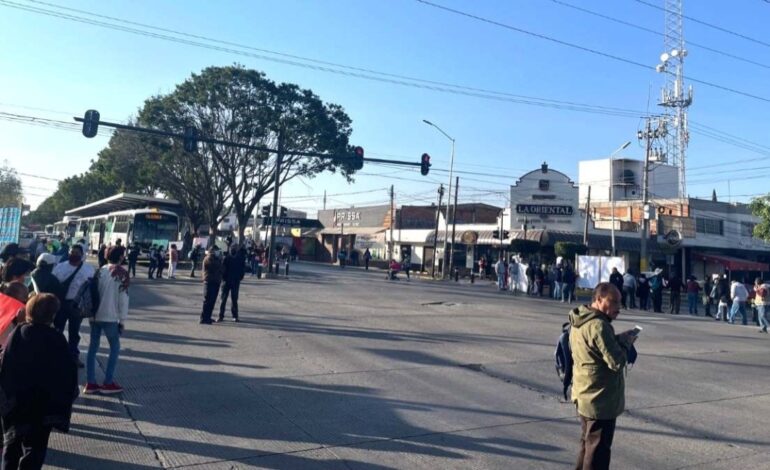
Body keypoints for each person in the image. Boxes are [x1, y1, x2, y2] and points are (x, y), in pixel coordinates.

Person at [0, 294, 78, 470]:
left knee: (11, 446)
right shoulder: (56, 339)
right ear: (52, 315)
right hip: (43, 407)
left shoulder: (17, 334)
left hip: (16, 403)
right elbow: (67, 373)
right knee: (35, 448)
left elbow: (5, 366)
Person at [569, 282, 637, 470]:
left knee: (587, 445)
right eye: (613, 302)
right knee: (598, 451)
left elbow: (593, 350)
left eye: (619, 303)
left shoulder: (580, 319)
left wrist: (615, 340)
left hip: (584, 394)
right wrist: (626, 344)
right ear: (598, 300)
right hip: (599, 400)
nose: (618, 308)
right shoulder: (599, 325)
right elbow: (616, 362)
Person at [84, 247, 129, 395]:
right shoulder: (121, 273)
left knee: (92, 348)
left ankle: (91, 382)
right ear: (121, 257)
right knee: (114, 348)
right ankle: (108, 382)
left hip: (94, 316)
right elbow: (123, 299)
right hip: (110, 316)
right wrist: (122, 321)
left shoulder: (99, 271)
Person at [52, 244, 95, 366]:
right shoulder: (60, 267)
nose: (74, 255)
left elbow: (92, 288)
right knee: (57, 330)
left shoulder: (88, 269)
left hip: (77, 305)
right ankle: (55, 355)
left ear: (82, 255)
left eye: (77, 253)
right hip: (61, 303)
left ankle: (73, 357)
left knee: (74, 332)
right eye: (72, 252)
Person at [217, 245, 245, 323]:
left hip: (230, 281)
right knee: (227, 299)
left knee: (230, 299)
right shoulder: (230, 258)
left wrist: (240, 277)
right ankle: (225, 316)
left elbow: (242, 270)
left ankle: (223, 316)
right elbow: (222, 269)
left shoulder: (229, 258)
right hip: (230, 281)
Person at [200, 247, 222, 324]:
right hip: (209, 281)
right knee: (208, 300)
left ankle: (208, 316)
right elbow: (216, 267)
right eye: (216, 251)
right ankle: (204, 318)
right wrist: (219, 259)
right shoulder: (209, 258)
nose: (218, 252)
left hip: (215, 281)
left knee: (212, 301)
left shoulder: (215, 258)